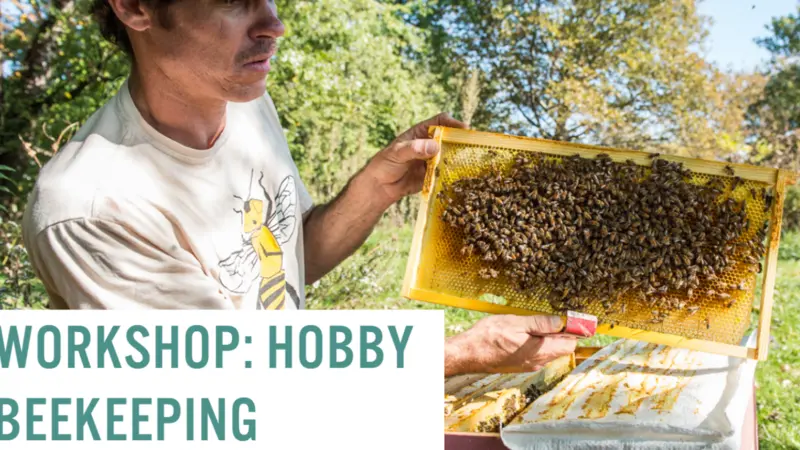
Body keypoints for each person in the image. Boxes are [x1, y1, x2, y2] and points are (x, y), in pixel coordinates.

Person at [21, 0, 577, 377]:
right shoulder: (89, 206)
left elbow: (282, 267)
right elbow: (231, 389)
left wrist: (374, 188)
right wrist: (463, 352)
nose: (273, 23)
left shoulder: (247, 103)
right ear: (134, 6)